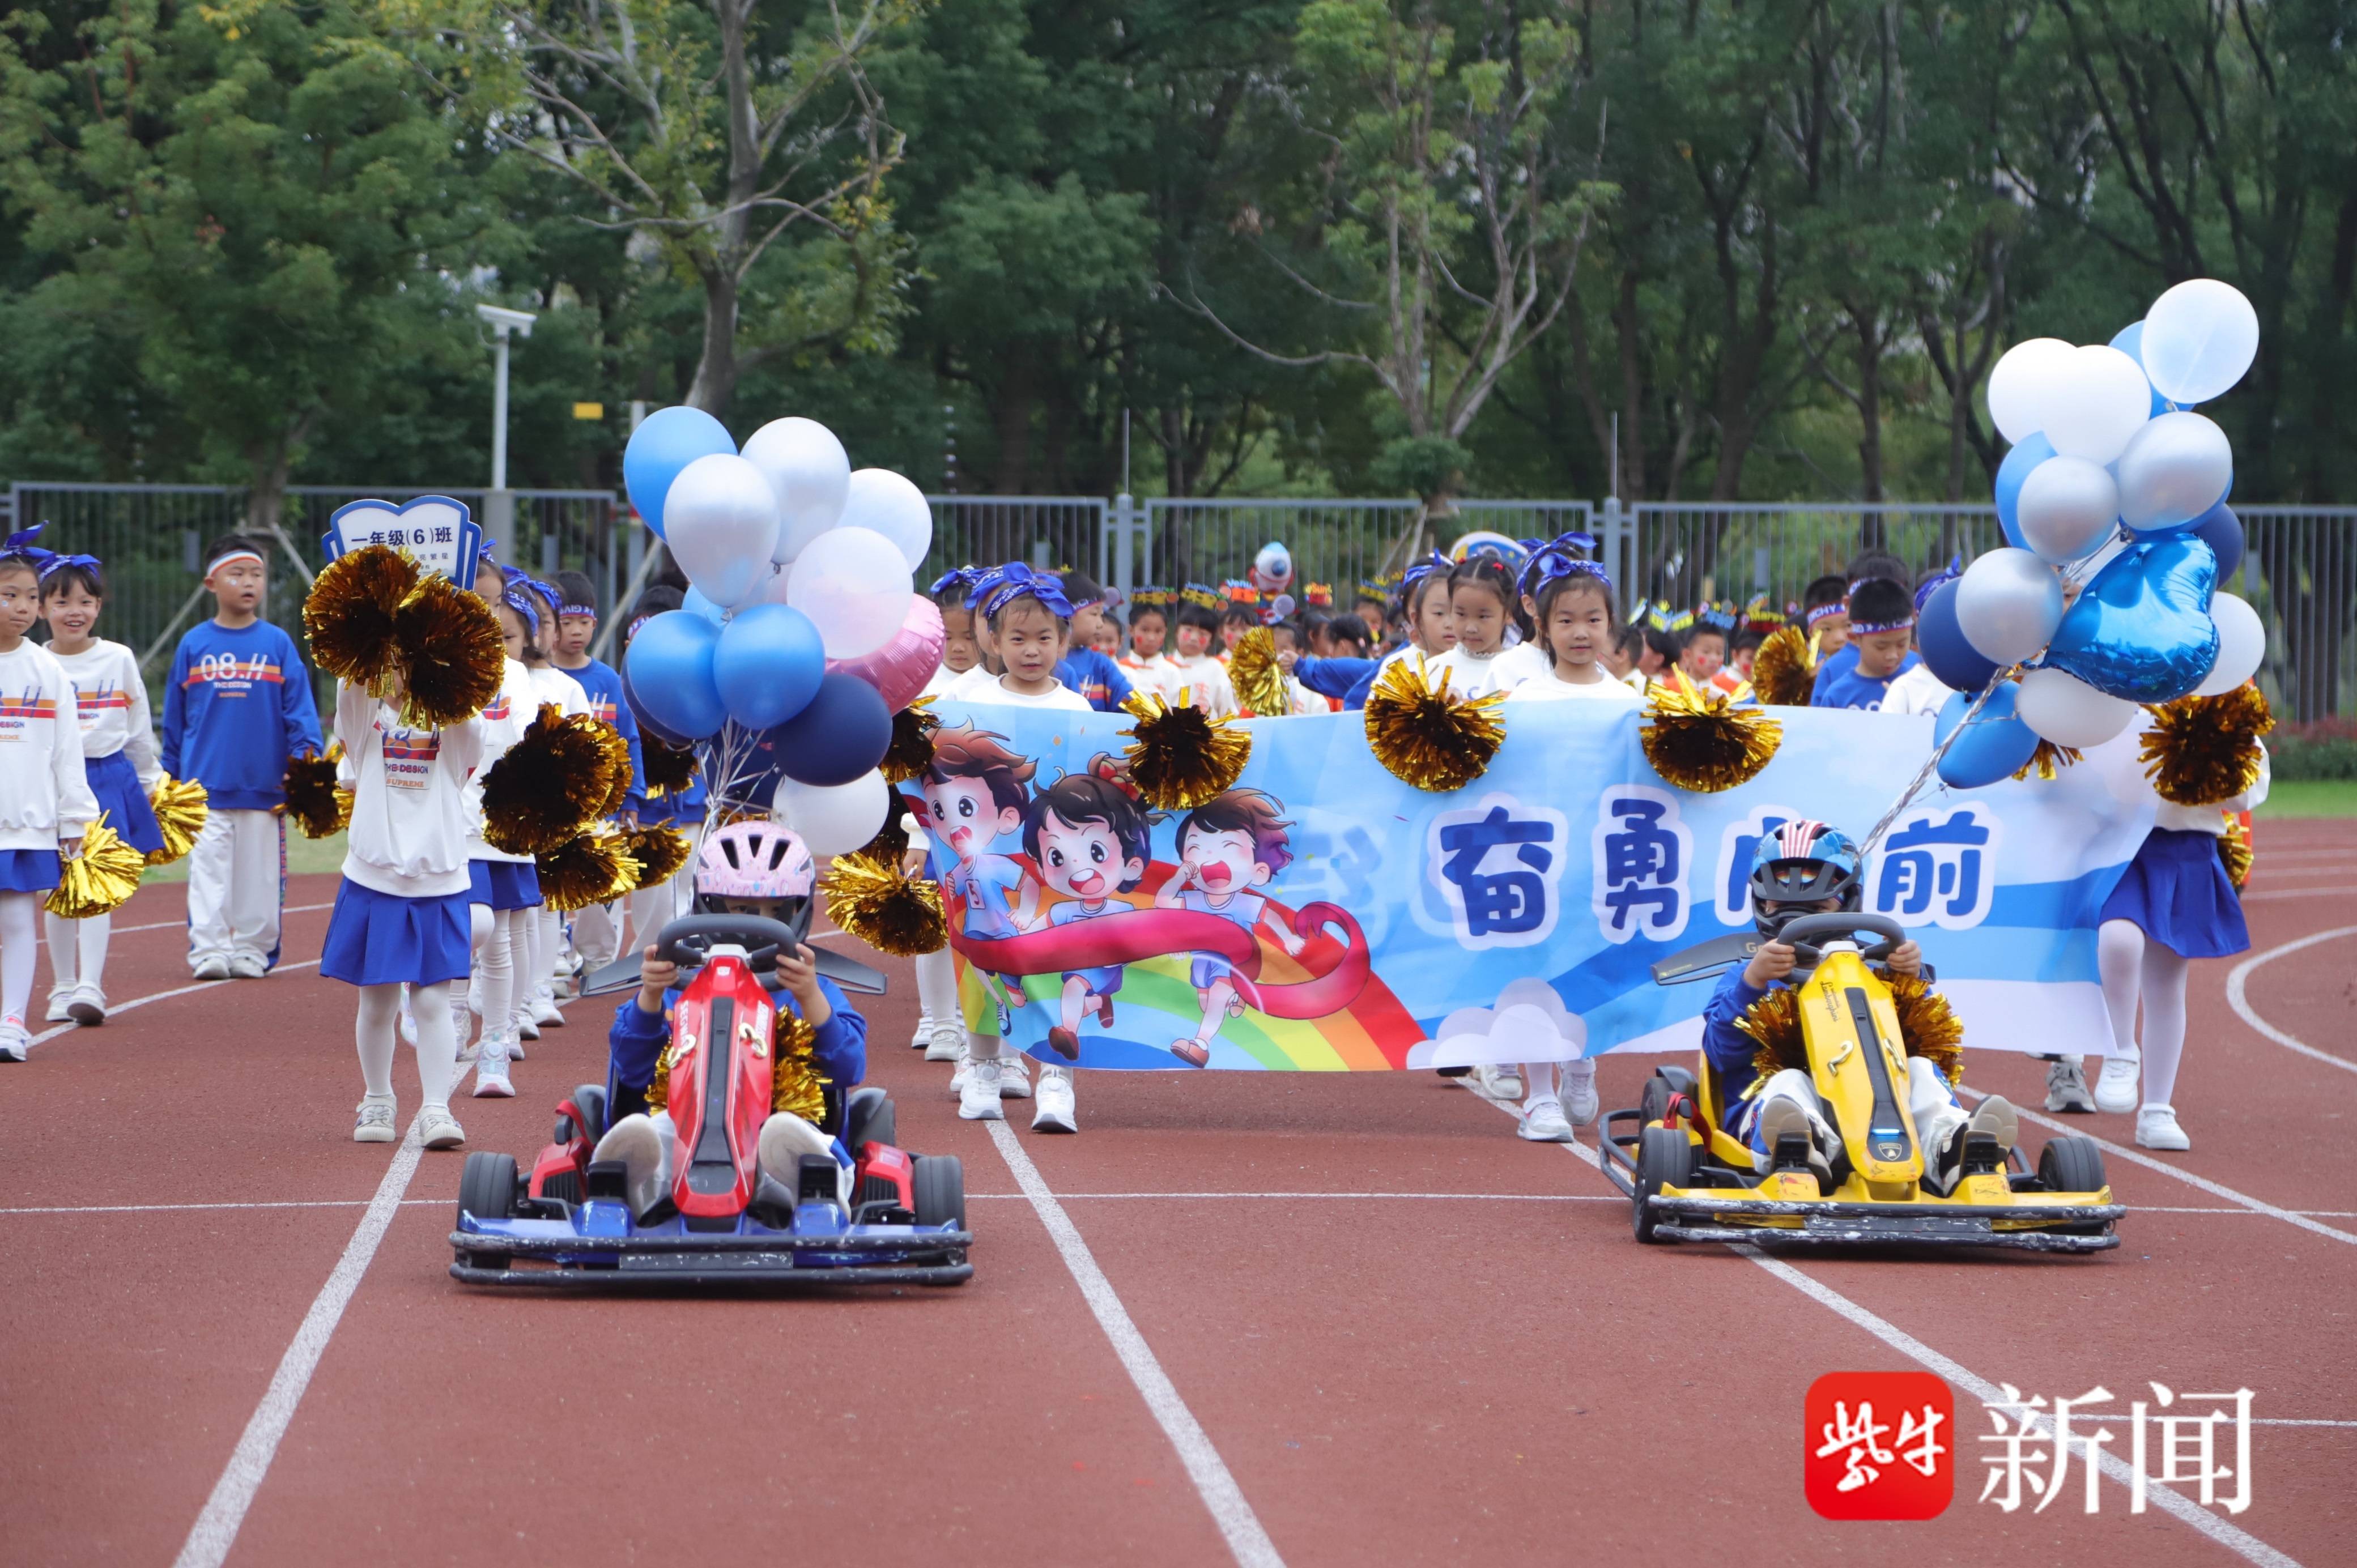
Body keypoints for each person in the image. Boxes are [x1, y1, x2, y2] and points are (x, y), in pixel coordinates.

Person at [1699, 821, 2018, 1191]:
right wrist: (1752, 983)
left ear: (1848, 902)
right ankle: (1800, 1146)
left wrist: (1909, 980)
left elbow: (1930, 1038)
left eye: (1817, 909)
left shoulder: (1876, 970)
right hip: (1767, 1109)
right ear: (1763, 904)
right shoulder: (1745, 977)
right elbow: (1720, 1054)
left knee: (1921, 1069)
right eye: (1786, 910)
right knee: (1790, 1082)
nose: (1802, 920)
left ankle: (1954, 1147)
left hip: (1876, 1100)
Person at [591, 821, 869, 1219]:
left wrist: (809, 997)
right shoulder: (676, 986)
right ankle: (629, 1190)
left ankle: (816, 1197)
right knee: (653, 1134)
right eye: (742, 910)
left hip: (780, 1128)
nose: (759, 924)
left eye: (776, 912)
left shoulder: (813, 987)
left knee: (788, 1137)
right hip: (684, 1128)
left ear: (799, 911)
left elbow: (848, 1068)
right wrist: (649, 994)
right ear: (710, 906)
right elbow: (633, 1073)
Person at [321, 662, 487, 1151]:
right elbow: (349, 688)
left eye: (411, 663)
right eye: (391, 665)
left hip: (439, 881)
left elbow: (470, 721)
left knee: (432, 1002)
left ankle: (436, 1107)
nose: (400, 675)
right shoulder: (364, 720)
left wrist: (448, 663)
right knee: (377, 1001)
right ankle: (377, 1098)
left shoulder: (453, 727)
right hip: (375, 880)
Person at [1501, 542, 1637, 1139]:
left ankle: (1581, 1061)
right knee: (1535, 970)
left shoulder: (1629, 702)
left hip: (1603, 862)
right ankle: (1539, 1096)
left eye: (1593, 619)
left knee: (1592, 970)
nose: (1580, 632)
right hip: (1535, 861)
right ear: (1543, 625)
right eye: (1566, 620)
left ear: (1610, 624)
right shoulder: (1524, 698)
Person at [2086, 712, 2268, 1148]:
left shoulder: (2223, 708)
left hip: (2187, 846)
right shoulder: (2119, 697)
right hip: (2121, 843)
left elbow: (2247, 793)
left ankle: (2157, 1110)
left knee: (2166, 984)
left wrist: (2212, 755)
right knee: (2118, 938)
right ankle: (2120, 1049)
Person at [162, 534, 324, 979]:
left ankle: (253, 949)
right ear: (211, 583)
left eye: (257, 574)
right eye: (237, 574)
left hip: (265, 787)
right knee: (207, 873)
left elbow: (300, 713)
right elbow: (175, 721)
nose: (249, 582)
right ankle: (210, 950)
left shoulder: (277, 643)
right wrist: (169, 778)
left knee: (260, 876)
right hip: (203, 788)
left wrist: (304, 766)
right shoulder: (193, 644)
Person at [37, 551, 164, 1025]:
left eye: (86, 602)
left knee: (98, 881)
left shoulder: (118, 658)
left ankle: (90, 985)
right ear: (42, 608)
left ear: (99, 606)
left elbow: (138, 723)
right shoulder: (33, 663)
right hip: (49, 781)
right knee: (57, 886)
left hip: (108, 776)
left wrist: (149, 780)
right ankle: (62, 986)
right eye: (62, 601)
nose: (75, 611)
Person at [0, 531, 99, 1060]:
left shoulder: (47, 670)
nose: (22, 607)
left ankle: (11, 1024)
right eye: (9, 594)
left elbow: (66, 751)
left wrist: (73, 818)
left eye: (31, 597)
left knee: (18, 923)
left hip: (25, 823)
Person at [1017, 755, 1155, 1131]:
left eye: (1096, 853)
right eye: (1058, 857)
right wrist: (1021, 932)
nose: (1080, 870)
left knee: (1075, 986)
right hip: (1077, 970)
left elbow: (1145, 936)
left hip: (1105, 972)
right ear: (1042, 867)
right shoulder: (1064, 910)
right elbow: (1040, 927)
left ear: (1131, 863)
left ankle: (1069, 1033)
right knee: (1076, 987)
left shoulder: (1122, 908)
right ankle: (1094, 1007)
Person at [1154, 789, 1304, 1068]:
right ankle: (1237, 997)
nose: (1212, 860)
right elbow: (1163, 902)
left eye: (1230, 848)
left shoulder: (1245, 902)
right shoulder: (1195, 899)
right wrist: (1179, 877)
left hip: (1239, 961)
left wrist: (1289, 938)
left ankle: (1201, 1045)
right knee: (1205, 1001)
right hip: (1203, 961)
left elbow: (1270, 917)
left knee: (1215, 1000)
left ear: (1258, 871)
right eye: (1196, 849)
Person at [548, 569, 645, 978]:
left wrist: (633, 797)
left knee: (599, 884)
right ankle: (554, 960)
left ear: (595, 623)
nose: (575, 632)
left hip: (602, 807)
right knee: (550, 883)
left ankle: (598, 960)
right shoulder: (539, 680)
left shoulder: (609, 680)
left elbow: (630, 740)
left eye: (583, 622)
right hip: (552, 806)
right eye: (566, 622)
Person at [507, 570, 590, 1037]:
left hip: (551, 812)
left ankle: (537, 993)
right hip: (503, 813)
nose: (537, 631)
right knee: (508, 911)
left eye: (545, 622)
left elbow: (587, 750)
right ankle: (502, 996)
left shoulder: (566, 688)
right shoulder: (503, 680)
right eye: (530, 621)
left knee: (544, 907)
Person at [1810, 578, 1920, 709]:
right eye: (1881, 647)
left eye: (1901, 645)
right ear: (1854, 638)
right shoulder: (1838, 696)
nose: (1892, 655)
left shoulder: (1918, 688)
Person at [1053, 571, 1135, 713]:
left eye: (1101, 615)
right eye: (1095, 614)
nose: (1101, 624)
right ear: (1066, 614)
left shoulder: (1101, 665)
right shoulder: (1042, 663)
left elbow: (1132, 705)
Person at [1166, 589, 1239, 717]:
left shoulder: (1215, 668)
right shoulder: (1164, 666)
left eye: (1202, 634)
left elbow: (1228, 712)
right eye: (1189, 630)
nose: (1194, 638)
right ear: (1177, 631)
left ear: (1211, 640)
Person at [1118, 589, 1181, 700]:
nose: (1151, 638)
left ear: (1166, 632)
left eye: (1158, 631)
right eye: (1145, 630)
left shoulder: (1172, 672)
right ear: (1131, 630)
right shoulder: (1119, 669)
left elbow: (1182, 706)